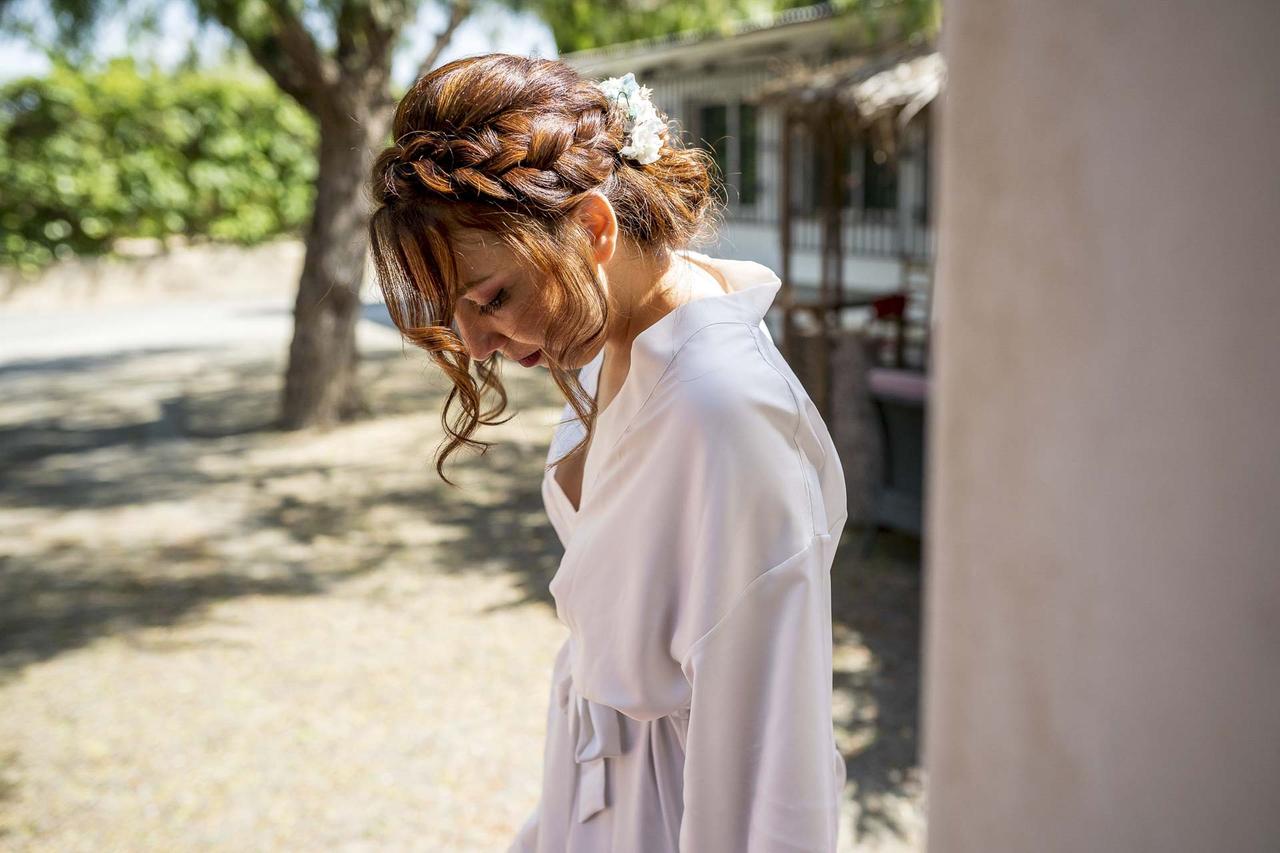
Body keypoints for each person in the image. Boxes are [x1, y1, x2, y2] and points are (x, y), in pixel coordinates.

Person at [366, 53, 848, 853]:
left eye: (493, 299)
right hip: (600, 797)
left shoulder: (724, 413)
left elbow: (773, 771)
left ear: (593, 227)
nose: (478, 345)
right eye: (458, 314)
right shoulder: (619, 339)